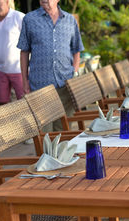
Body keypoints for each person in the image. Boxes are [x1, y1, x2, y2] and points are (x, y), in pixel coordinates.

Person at [17, 0, 84, 131]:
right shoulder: (29, 19)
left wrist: (74, 73)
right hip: (40, 87)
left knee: (64, 132)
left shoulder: (70, 20)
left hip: (65, 86)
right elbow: (24, 51)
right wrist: (25, 82)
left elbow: (77, 50)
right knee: (45, 134)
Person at [0, 0, 26, 104]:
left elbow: (30, 41)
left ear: (7, 2)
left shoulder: (19, 17)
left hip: (19, 69)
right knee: (2, 103)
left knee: (25, 102)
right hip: (0, 69)